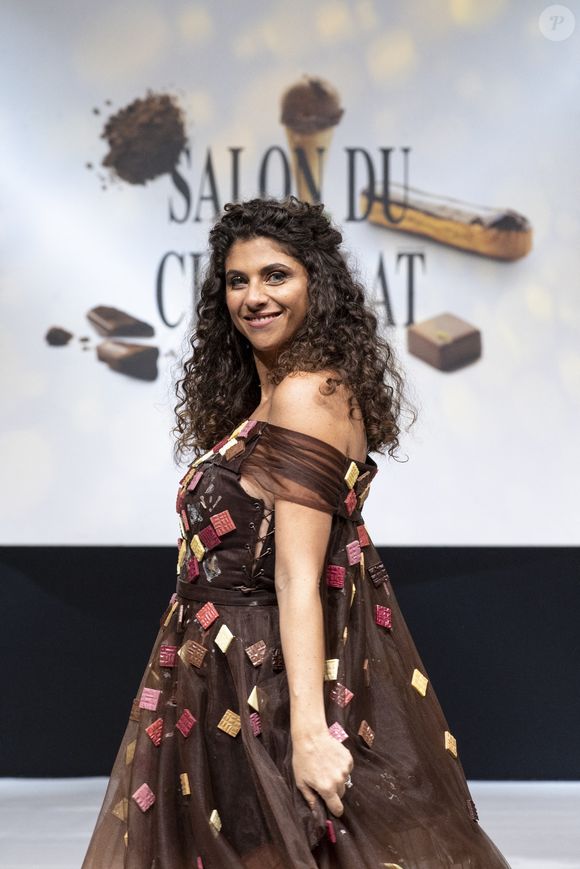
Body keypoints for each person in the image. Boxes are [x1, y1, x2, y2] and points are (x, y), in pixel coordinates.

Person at [82, 196, 512, 868]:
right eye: (237, 279)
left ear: (318, 282)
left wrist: (308, 732)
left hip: (265, 683)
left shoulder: (307, 393)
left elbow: (298, 576)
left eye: (276, 275)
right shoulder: (270, 395)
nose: (254, 295)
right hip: (216, 675)